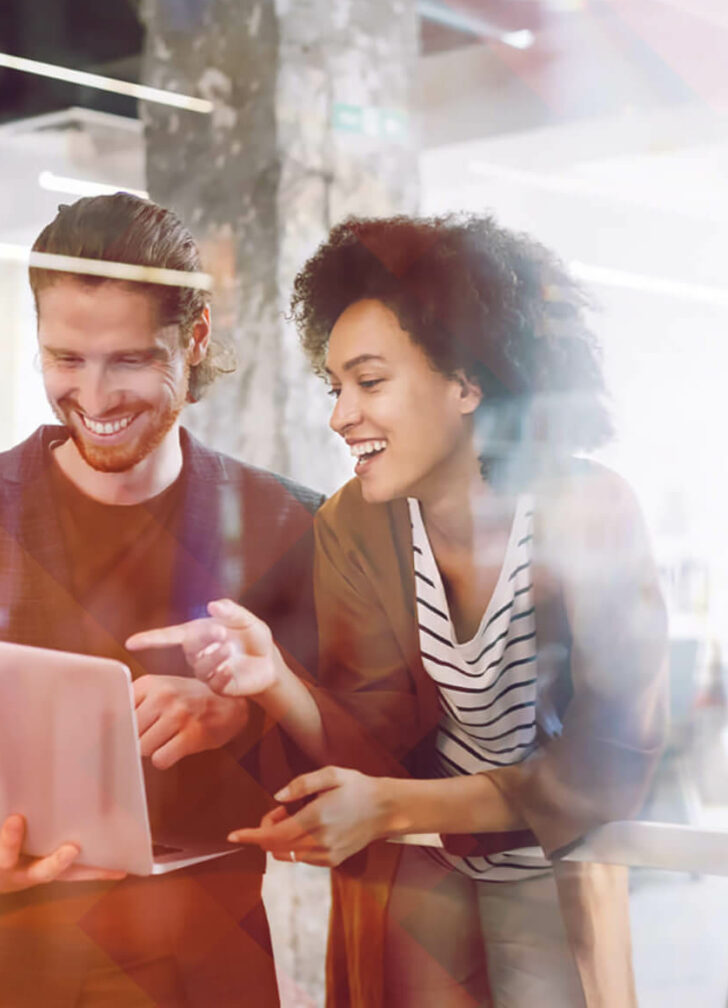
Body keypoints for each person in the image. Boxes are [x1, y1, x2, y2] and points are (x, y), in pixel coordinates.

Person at [128, 214, 668, 1007]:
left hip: (550, 866)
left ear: (467, 384)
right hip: (422, 867)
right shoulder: (355, 521)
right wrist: (276, 679)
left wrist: (396, 807)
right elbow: (372, 743)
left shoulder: (587, 510)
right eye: (335, 387)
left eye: (370, 382)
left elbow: (611, 760)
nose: (340, 415)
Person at [0, 192, 322, 1007]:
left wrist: (245, 714)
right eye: (65, 359)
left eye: (129, 361)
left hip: (203, 968)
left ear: (196, 338)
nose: (96, 396)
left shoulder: (290, 525)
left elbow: (348, 747)